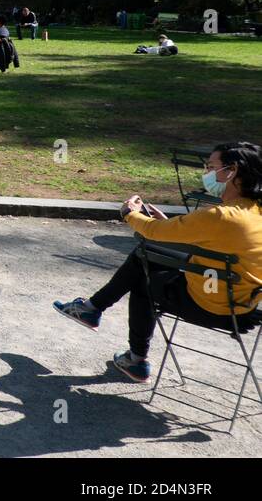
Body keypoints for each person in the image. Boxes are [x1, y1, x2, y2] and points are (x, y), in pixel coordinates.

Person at [53, 142, 262, 383]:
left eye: (211, 167)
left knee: (144, 276)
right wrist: (171, 227)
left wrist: (129, 214)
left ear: (232, 171)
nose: (207, 174)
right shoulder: (253, 213)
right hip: (242, 307)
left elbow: (151, 231)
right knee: (151, 255)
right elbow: (216, 243)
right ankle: (93, 311)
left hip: (208, 305)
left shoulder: (221, 216)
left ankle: (133, 355)